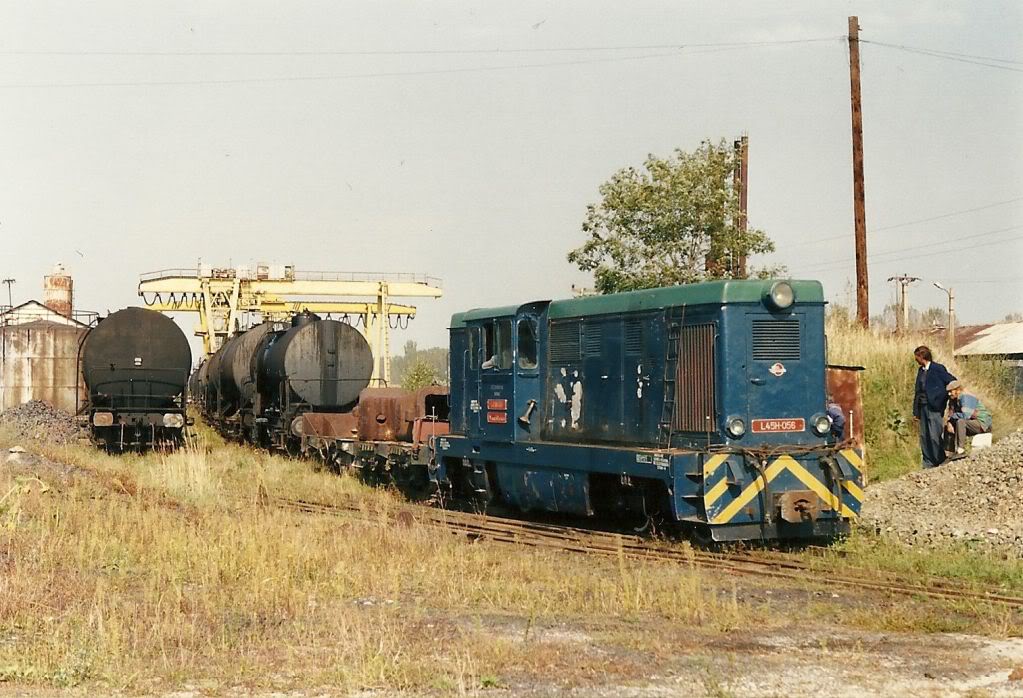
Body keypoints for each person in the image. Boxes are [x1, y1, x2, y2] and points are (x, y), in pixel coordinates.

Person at [912, 345, 956, 468]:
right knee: (924, 436)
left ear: (922, 356)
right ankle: (928, 462)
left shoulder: (938, 368)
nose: (915, 360)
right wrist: (916, 411)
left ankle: (939, 459)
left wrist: (942, 396)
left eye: (917, 357)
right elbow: (918, 391)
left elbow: (952, 381)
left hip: (935, 407)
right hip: (923, 407)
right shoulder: (921, 371)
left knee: (934, 435)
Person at [945, 380, 992, 456]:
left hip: (982, 424)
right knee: (949, 426)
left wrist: (952, 418)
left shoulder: (965, 397)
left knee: (960, 422)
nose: (949, 394)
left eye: (951, 391)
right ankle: (950, 453)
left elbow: (966, 416)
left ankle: (961, 450)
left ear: (957, 390)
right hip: (972, 422)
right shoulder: (955, 400)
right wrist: (949, 422)